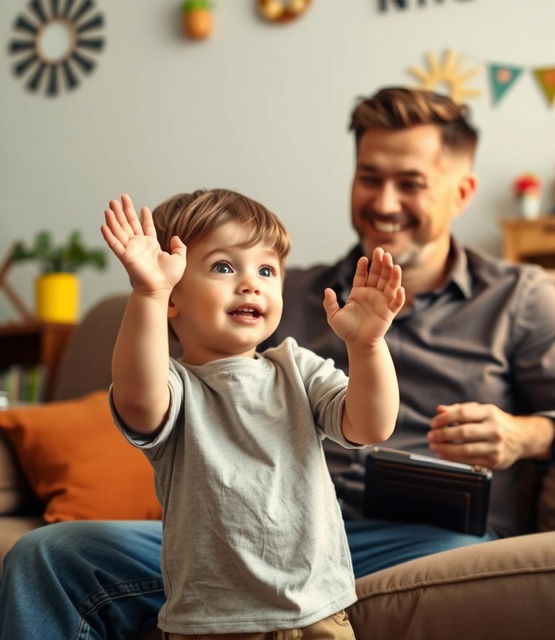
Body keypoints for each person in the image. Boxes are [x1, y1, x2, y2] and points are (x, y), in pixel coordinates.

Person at [2, 87, 555, 640]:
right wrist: (153, 293)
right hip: (240, 534)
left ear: (462, 190)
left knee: (462, 555)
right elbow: (151, 391)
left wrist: (529, 433)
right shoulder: (284, 294)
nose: (384, 202)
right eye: (369, 177)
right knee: (53, 554)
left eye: (410, 182)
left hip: (417, 536)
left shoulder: (518, 297)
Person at [99, 188, 405, 638]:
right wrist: (148, 292)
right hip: (211, 624)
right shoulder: (177, 388)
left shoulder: (298, 368)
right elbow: (138, 400)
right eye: (224, 267)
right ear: (172, 299)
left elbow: (370, 426)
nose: (251, 283)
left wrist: (367, 346)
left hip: (318, 613)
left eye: (266, 269)